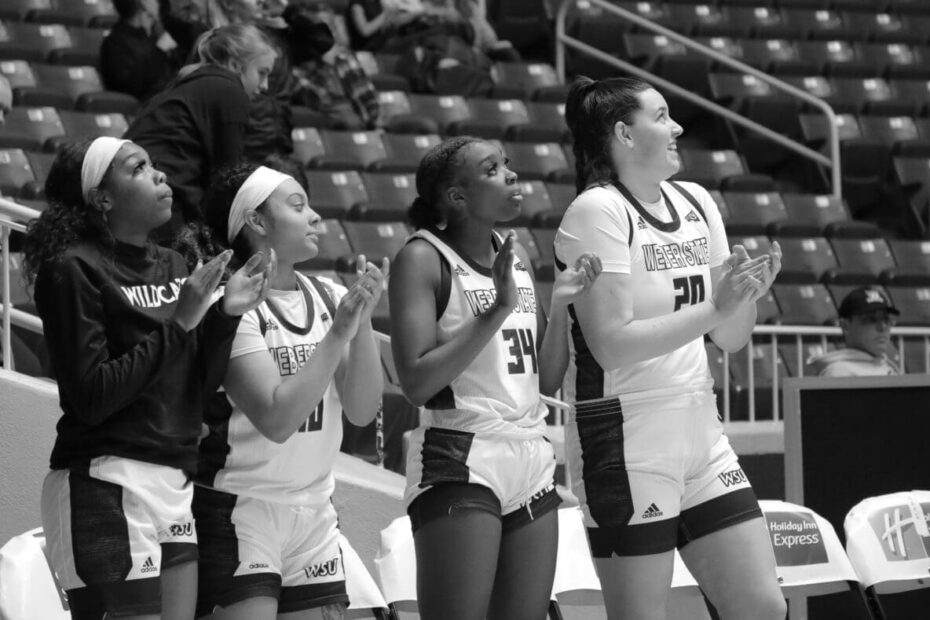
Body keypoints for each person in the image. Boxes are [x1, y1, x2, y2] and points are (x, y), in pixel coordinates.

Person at [554, 76, 786, 620]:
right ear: (624, 134)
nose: (678, 127)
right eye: (661, 117)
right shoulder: (596, 211)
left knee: (762, 607)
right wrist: (718, 307)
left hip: (701, 428)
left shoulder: (697, 201)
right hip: (626, 435)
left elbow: (730, 337)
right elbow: (611, 346)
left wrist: (745, 296)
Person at [21, 136, 273, 620]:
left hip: (173, 480)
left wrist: (225, 315)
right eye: (138, 168)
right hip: (104, 480)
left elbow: (192, 388)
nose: (159, 175)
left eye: (154, 164)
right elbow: (92, 395)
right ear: (103, 198)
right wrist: (180, 322)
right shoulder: (73, 268)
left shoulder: (174, 265)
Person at [389, 136, 602, 620]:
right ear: (457, 196)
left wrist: (561, 305)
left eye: (506, 163)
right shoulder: (421, 258)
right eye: (491, 169)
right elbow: (416, 383)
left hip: (529, 454)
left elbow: (546, 380)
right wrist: (498, 309)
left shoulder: (514, 255)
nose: (511, 174)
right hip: (461, 453)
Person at [185, 163, 387, 619]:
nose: (315, 216)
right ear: (256, 221)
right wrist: (339, 334)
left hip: (315, 510)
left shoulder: (331, 295)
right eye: (298, 206)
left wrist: (363, 322)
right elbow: (276, 420)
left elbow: (361, 411)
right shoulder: (230, 307)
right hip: (240, 507)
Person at [125, 23, 277, 242]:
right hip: (162, 203)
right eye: (262, 73)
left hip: (133, 198)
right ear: (235, 64)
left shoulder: (191, 84)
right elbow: (228, 181)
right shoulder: (230, 90)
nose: (265, 86)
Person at [809, 286, 902, 377]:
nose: (883, 327)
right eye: (871, 319)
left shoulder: (889, 368)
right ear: (845, 326)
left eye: (886, 319)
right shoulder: (838, 373)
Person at [100, 0, 183, 103]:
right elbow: (131, 86)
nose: (158, 2)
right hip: (149, 106)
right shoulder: (115, 43)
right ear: (143, 4)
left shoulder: (151, 35)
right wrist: (159, 52)